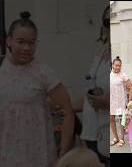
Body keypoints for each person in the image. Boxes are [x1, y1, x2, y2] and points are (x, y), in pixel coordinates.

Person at [0, 11, 74, 167]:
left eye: (31, 42)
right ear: (9, 41)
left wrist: (63, 154)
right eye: (21, 42)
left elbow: (67, 111)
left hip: (38, 156)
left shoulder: (43, 73)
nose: (26, 48)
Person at [72, 47, 109, 163]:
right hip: (92, 135)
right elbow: (89, 96)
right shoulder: (101, 53)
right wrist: (65, 106)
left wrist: (108, 103)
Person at [110, 56, 132, 147]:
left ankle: (122, 139)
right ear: (112, 65)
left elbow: (131, 88)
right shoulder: (109, 75)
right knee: (111, 119)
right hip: (111, 101)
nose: (118, 67)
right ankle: (115, 138)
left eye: (119, 66)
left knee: (121, 121)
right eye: (116, 65)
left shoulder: (123, 75)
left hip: (121, 102)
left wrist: (129, 102)